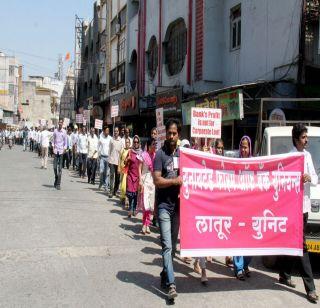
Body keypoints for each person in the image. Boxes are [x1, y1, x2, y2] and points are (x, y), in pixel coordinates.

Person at [278, 123, 318, 303]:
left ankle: (284, 274)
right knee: (302, 245)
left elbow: (316, 178)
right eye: (303, 137)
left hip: (304, 207)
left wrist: (310, 178)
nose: (306, 140)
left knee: (292, 241)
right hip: (292, 207)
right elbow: (282, 180)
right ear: (296, 139)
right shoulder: (290, 157)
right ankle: (310, 288)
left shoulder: (308, 156)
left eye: (306, 137)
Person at [153, 118, 183, 300]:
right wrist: (173, 181)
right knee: (167, 245)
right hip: (164, 206)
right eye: (169, 133)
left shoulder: (182, 154)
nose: (171, 136)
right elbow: (157, 180)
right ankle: (171, 284)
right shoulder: (160, 154)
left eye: (175, 133)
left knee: (172, 247)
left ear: (178, 134)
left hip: (178, 207)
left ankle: (165, 274)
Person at [233, 135, 253, 280]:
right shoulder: (235, 163)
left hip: (251, 208)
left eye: (246, 147)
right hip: (238, 207)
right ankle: (238, 268)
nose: (244, 150)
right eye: (242, 146)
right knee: (238, 239)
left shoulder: (255, 163)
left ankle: (246, 264)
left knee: (251, 240)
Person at [138, 138, 156, 234]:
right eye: (153, 144)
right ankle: (144, 224)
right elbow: (139, 168)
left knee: (150, 204)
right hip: (145, 180)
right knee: (145, 204)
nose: (155, 146)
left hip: (152, 182)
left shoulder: (155, 156)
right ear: (149, 146)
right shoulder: (143, 155)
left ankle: (147, 224)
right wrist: (140, 180)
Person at [126, 135, 142, 217]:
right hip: (130, 174)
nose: (136, 143)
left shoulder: (141, 153)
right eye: (134, 142)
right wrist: (127, 159)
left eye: (137, 142)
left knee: (135, 194)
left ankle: (134, 208)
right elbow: (125, 163)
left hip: (137, 176)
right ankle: (130, 209)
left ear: (139, 143)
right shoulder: (130, 151)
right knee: (129, 194)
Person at [108, 127, 123, 198]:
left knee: (118, 178)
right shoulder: (111, 140)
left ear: (119, 132)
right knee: (111, 176)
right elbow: (109, 150)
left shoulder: (121, 141)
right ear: (114, 132)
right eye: (115, 131)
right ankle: (111, 191)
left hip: (118, 162)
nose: (116, 132)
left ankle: (115, 190)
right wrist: (108, 160)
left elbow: (122, 152)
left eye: (117, 131)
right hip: (112, 161)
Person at [53, 120, 67, 190]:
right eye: (59, 123)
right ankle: (56, 177)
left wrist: (64, 149)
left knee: (60, 168)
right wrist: (53, 147)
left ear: (62, 124)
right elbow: (53, 140)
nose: (60, 124)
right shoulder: (55, 131)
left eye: (61, 123)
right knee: (55, 167)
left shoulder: (64, 132)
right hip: (56, 151)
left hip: (61, 151)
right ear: (58, 123)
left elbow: (65, 142)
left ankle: (58, 184)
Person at [98, 126, 112, 191]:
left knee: (107, 173)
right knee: (101, 171)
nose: (107, 132)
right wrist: (98, 154)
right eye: (106, 131)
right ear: (103, 131)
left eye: (108, 131)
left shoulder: (110, 139)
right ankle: (101, 182)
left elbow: (111, 148)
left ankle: (106, 186)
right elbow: (98, 146)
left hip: (108, 158)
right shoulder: (101, 138)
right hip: (102, 157)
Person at [118, 138, 131, 206]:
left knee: (125, 184)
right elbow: (119, 159)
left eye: (128, 142)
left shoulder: (131, 151)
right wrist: (119, 168)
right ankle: (122, 197)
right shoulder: (123, 150)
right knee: (122, 184)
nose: (127, 143)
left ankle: (126, 198)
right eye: (126, 142)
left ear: (130, 143)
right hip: (122, 168)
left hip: (128, 170)